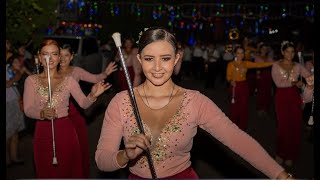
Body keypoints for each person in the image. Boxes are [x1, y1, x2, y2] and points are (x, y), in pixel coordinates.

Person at [95, 27, 293, 179]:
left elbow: (237, 139)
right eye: (149, 58)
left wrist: (281, 175)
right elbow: (102, 160)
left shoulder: (194, 102)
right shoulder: (121, 102)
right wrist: (125, 155)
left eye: (165, 58)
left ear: (176, 59)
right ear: (139, 59)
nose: (157, 67)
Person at [23, 39, 111, 178]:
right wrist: (41, 112)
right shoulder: (31, 81)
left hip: (65, 131)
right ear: (39, 57)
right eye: (46, 54)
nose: (50, 58)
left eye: (54, 54)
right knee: (45, 171)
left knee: (67, 170)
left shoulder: (68, 80)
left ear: (59, 58)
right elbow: (27, 109)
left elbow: (83, 103)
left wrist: (93, 95)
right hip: (42, 132)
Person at [58, 43, 117, 177]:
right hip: (57, 116)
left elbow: (94, 78)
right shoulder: (51, 72)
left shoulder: (76, 71)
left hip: (74, 113)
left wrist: (105, 73)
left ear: (71, 56)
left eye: (66, 55)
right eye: (60, 55)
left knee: (77, 147)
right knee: (61, 148)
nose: (63, 58)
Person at [271, 41, 311, 168]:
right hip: (281, 98)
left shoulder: (298, 66)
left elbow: (310, 77)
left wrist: (306, 83)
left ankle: (291, 155)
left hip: (294, 98)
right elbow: (278, 83)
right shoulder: (276, 66)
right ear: (282, 52)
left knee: (295, 126)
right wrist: (294, 83)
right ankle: (281, 153)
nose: (290, 54)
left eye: (292, 51)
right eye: (287, 51)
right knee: (283, 127)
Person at [226, 46, 273, 131]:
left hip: (244, 87)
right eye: (238, 53)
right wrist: (230, 80)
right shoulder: (231, 64)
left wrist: (273, 63)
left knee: (244, 106)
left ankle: (242, 127)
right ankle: (233, 126)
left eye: (242, 53)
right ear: (235, 54)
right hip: (235, 87)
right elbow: (228, 76)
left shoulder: (246, 63)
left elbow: (259, 65)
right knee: (234, 107)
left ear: (244, 54)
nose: (240, 55)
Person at [6, 56, 25, 167]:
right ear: (11, 63)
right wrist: (18, 76)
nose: (19, 63)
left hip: (15, 102)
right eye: (17, 61)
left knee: (15, 131)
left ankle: (14, 158)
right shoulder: (7, 71)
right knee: (8, 132)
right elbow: (7, 84)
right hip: (8, 104)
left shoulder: (14, 71)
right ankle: (7, 160)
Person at [254, 43, 274, 115]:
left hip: (268, 75)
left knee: (267, 92)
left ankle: (266, 108)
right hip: (261, 75)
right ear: (260, 49)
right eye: (263, 48)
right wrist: (258, 74)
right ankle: (260, 108)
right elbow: (256, 67)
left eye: (266, 49)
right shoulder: (257, 57)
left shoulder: (269, 58)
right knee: (261, 92)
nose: (264, 50)